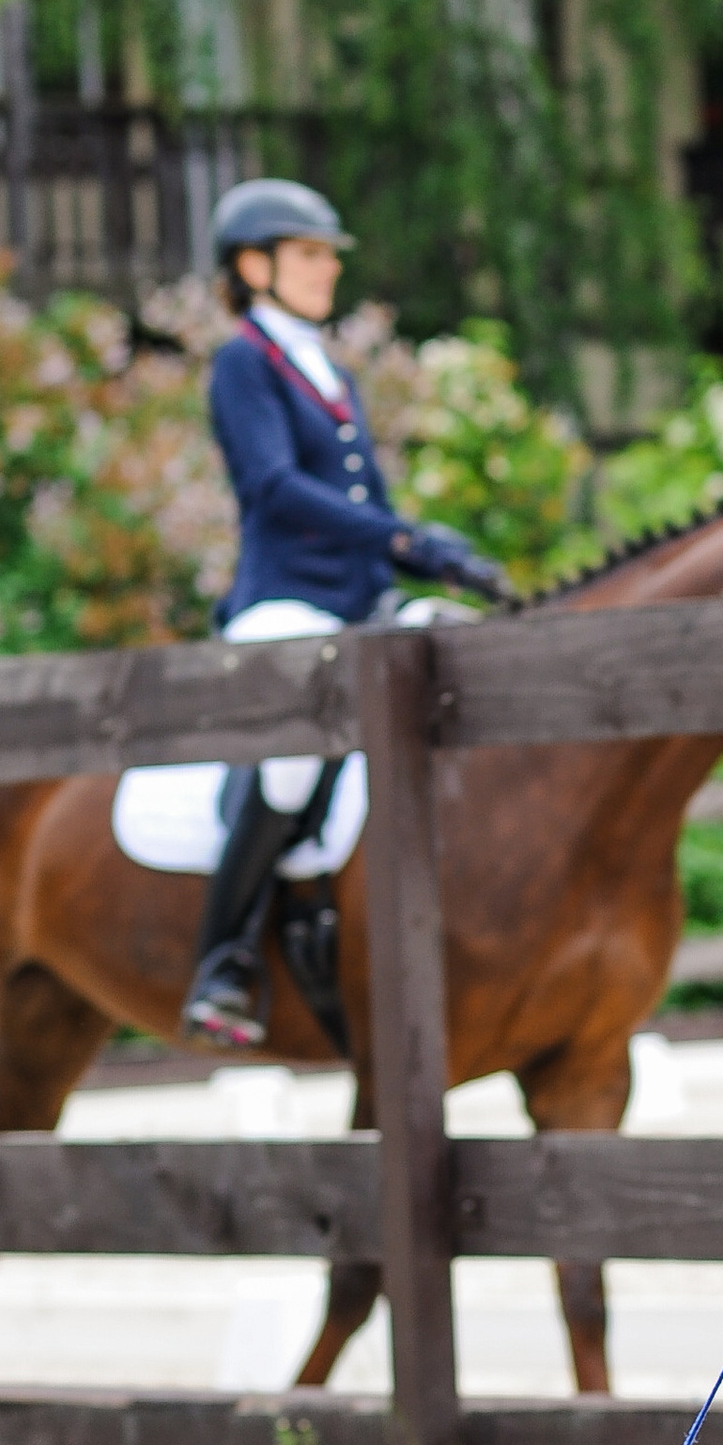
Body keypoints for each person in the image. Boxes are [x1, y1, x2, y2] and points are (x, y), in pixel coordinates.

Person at [181, 178, 513, 1050]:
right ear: (255, 267)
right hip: (282, 602)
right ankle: (222, 962)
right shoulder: (243, 362)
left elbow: (362, 496)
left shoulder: (331, 368)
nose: (328, 268)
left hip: (357, 603)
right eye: (309, 253)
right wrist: (407, 537)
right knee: (291, 763)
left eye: (329, 253)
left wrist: (419, 560)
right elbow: (274, 489)